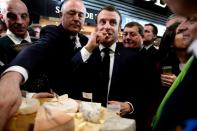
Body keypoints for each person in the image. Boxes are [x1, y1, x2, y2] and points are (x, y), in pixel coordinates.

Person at [0, 0, 88, 130]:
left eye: (24, 16)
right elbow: (37, 50)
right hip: (18, 111)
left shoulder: (35, 40)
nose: (19, 22)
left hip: (55, 106)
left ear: (29, 17)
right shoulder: (50, 34)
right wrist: (13, 75)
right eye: (71, 13)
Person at [72, 5, 160, 131]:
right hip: (86, 122)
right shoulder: (86, 51)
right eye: (103, 22)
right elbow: (67, 74)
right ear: (96, 27)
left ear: (119, 29)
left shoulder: (135, 57)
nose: (107, 26)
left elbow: (146, 91)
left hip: (118, 123)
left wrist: (130, 105)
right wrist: (89, 48)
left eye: (113, 23)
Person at [151, 0, 197, 130]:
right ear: (171, 42)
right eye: (178, 32)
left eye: (192, 19)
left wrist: (178, 84)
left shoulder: (193, 61)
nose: (183, 27)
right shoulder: (162, 62)